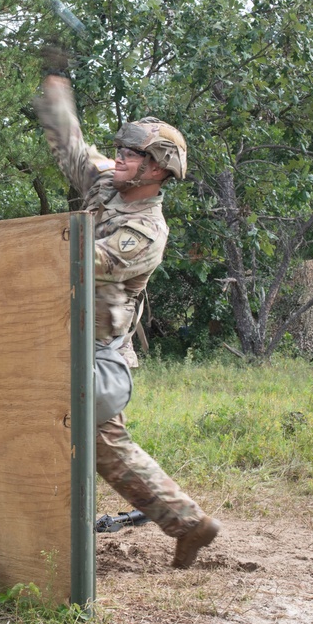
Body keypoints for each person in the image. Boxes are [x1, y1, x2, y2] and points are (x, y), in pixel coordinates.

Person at [34, 64, 220, 569]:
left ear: (157, 168)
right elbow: (74, 149)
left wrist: (9, 245)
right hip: (62, 342)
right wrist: (57, 97)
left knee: (81, 441)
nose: (119, 157)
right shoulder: (109, 185)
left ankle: (187, 523)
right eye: (120, 149)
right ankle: (188, 523)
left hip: (95, 355)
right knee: (101, 447)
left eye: (132, 154)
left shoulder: (146, 232)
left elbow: (79, 263)